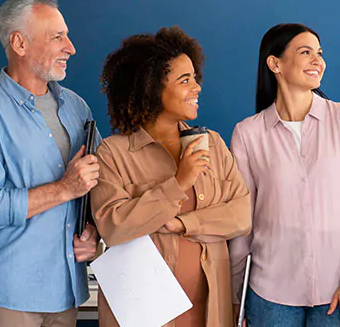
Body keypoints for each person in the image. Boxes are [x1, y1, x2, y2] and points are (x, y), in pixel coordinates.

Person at [90, 26, 251, 327]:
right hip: (143, 315)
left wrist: (182, 224)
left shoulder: (212, 143)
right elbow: (114, 226)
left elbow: (241, 214)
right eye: (184, 80)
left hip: (209, 313)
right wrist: (178, 183)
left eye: (195, 78)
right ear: (153, 89)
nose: (197, 87)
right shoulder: (114, 153)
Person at [0, 0, 100, 326]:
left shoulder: (77, 108)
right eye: (57, 37)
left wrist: (93, 231)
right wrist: (63, 189)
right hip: (10, 296)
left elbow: (95, 185)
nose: (71, 48)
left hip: (66, 289)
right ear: (19, 43)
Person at [228, 23, 340, 327]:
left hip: (338, 292)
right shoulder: (248, 133)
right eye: (305, 52)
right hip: (269, 294)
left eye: (319, 53)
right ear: (275, 63)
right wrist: (236, 298)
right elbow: (243, 224)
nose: (317, 60)